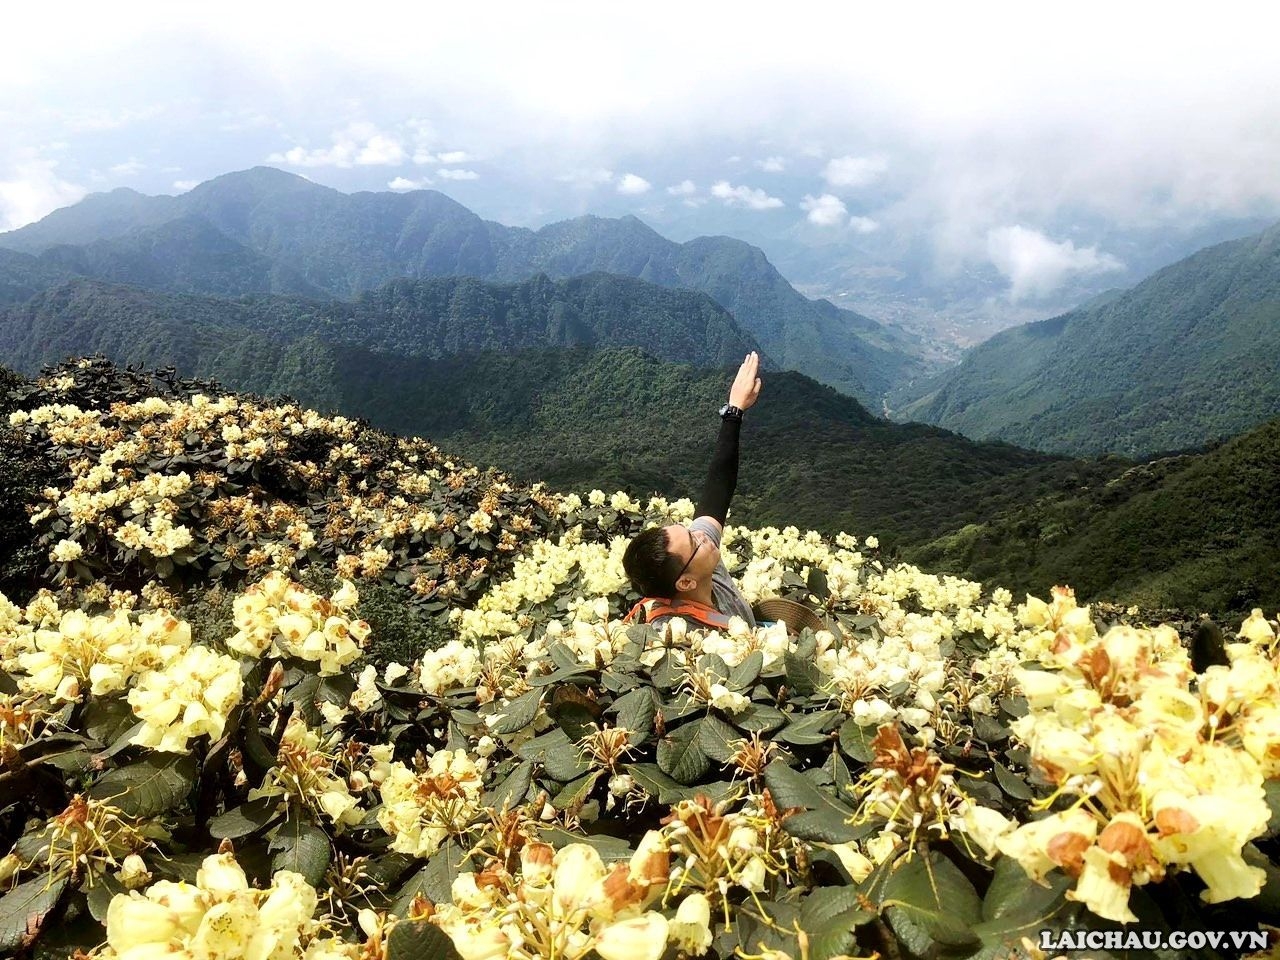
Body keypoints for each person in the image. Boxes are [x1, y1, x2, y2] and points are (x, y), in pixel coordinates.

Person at [622, 351, 762, 630]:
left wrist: (735, 410)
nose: (702, 535)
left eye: (689, 532)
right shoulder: (678, 637)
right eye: (694, 541)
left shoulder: (702, 568)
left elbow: (717, 492)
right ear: (685, 582)